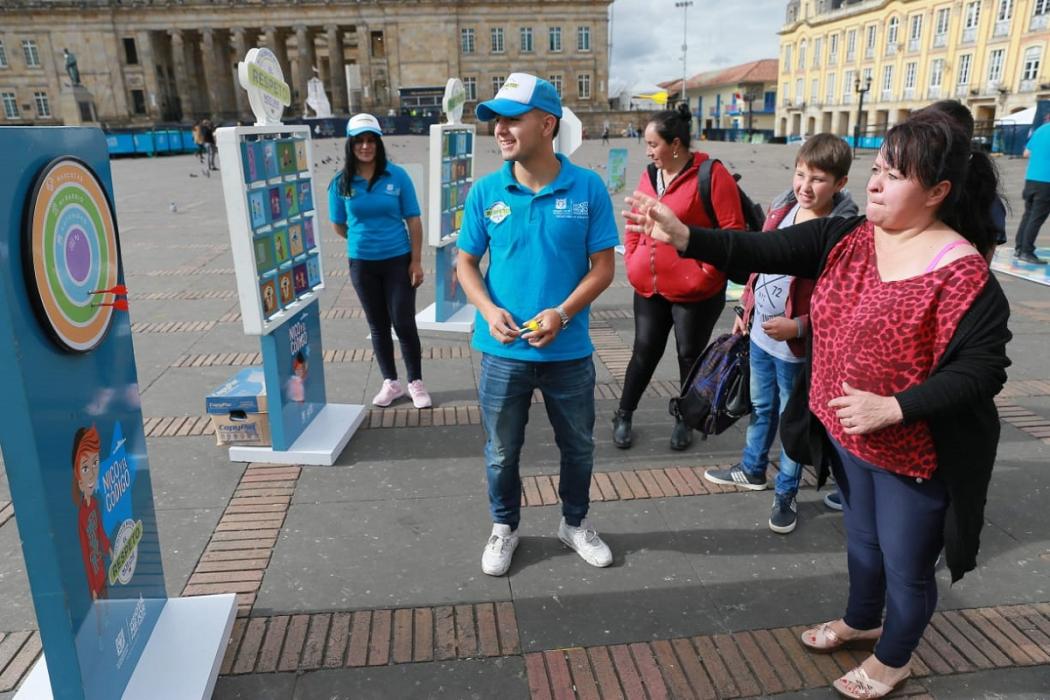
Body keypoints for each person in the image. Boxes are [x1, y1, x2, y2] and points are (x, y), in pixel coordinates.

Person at [625, 112, 1011, 699]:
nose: (876, 183)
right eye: (878, 168)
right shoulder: (848, 236)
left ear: (937, 193)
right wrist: (685, 237)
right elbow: (763, 245)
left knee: (908, 568)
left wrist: (897, 407)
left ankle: (895, 657)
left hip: (914, 452)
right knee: (862, 541)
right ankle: (863, 619)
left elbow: (983, 371)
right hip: (847, 437)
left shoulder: (961, 270)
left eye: (896, 175)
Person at [456, 72, 618, 576]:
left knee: (579, 447)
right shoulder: (486, 191)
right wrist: (486, 308)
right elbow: (465, 263)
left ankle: (575, 524)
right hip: (502, 352)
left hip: (568, 354)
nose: (500, 130)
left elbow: (604, 267)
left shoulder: (588, 187)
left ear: (547, 124)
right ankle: (504, 527)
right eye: (496, 121)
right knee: (502, 452)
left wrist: (562, 313)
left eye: (512, 119)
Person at [704, 133, 857, 534]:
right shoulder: (781, 206)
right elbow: (760, 259)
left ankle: (785, 492)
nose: (805, 187)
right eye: (800, 174)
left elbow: (839, 300)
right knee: (760, 406)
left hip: (796, 347)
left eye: (818, 179)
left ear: (840, 183)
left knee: (793, 420)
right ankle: (753, 468)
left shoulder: (840, 230)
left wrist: (800, 326)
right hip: (759, 335)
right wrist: (745, 308)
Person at [614, 102, 745, 451]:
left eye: (653, 144)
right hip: (649, 286)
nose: (648, 152)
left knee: (689, 354)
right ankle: (624, 413)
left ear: (675, 144)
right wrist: (634, 258)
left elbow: (733, 234)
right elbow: (633, 223)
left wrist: (705, 274)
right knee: (644, 350)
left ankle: (685, 419)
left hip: (695, 291)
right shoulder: (649, 174)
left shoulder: (711, 174)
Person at [327, 113, 432, 408]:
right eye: (359, 140)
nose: (365, 146)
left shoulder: (396, 176)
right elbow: (338, 224)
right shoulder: (341, 182)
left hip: (398, 260)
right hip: (362, 264)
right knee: (378, 325)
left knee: (403, 321)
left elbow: (413, 219)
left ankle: (415, 382)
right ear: (350, 144)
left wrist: (416, 261)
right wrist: (362, 240)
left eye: (371, 140)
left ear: (378, 143)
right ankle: (391, 382)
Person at [1013, 113, 1050, 265]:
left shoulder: (1041, 129)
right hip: (1046, 180)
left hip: (1031, 179)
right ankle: (1027, 251)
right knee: (1036, 217)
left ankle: (1019, 248)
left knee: (1028, 214)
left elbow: (1026, 153)